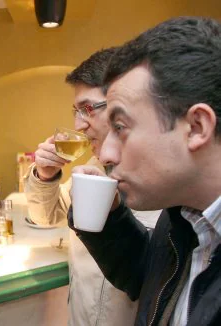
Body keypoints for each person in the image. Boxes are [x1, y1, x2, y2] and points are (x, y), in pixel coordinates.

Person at [70, 16, 221, 325]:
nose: (108, 153)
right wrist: (110, 215)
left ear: (196, 127)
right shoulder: (181, 214)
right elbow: (148, 276)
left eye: (121, 127)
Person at [24, 48, 160, 326]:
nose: (78, 125)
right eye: (76, 111)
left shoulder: (165, 182)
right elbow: (45, 217)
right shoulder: (93, 171)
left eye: (87, 109)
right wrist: (45, 175)